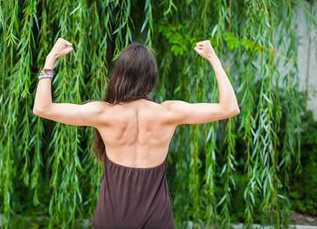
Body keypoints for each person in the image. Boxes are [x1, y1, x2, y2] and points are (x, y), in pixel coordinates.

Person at [33, 38, 240, 229]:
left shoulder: (103, 113)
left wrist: (51, 58)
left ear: (120, 73)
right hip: (156, 220)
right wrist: (213, 59)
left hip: (111, 220)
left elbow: (42, 108)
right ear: (152, 76)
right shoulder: (169, 113)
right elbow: (229, 108)